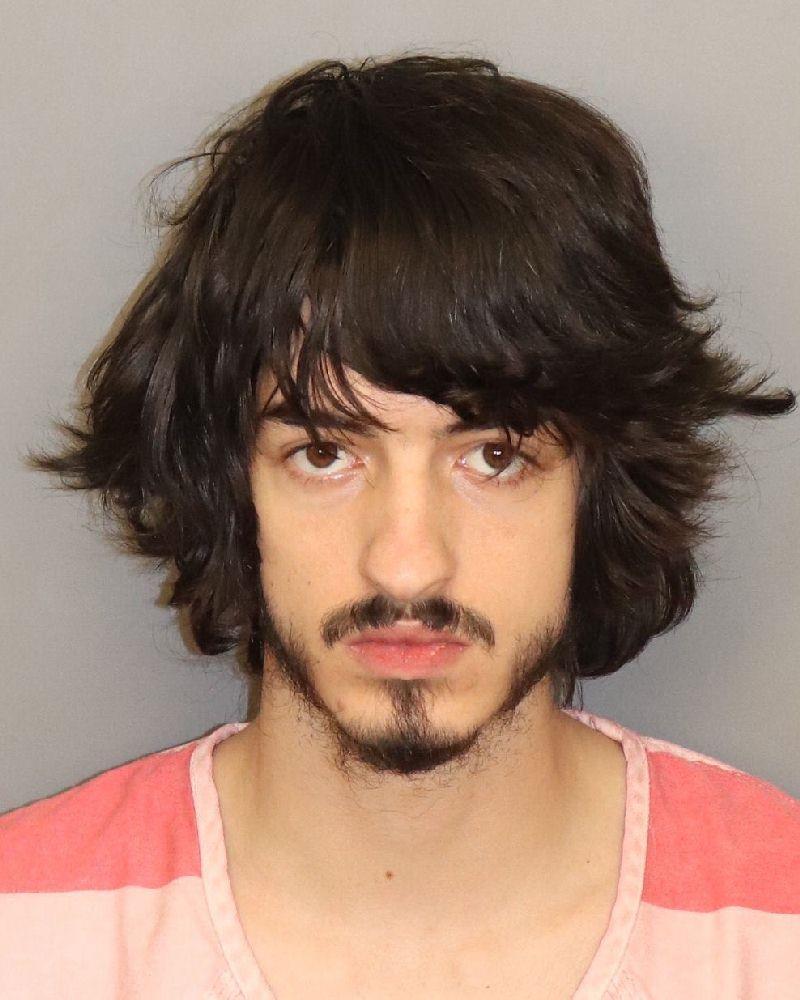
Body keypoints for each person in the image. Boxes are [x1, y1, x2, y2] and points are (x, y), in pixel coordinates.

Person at [1, 52, 798, 999]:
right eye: (324, 454)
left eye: (495, 457)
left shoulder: (778, 931)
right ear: (226, 483)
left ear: (601, 484)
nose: (408, 565)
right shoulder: (24, 939)